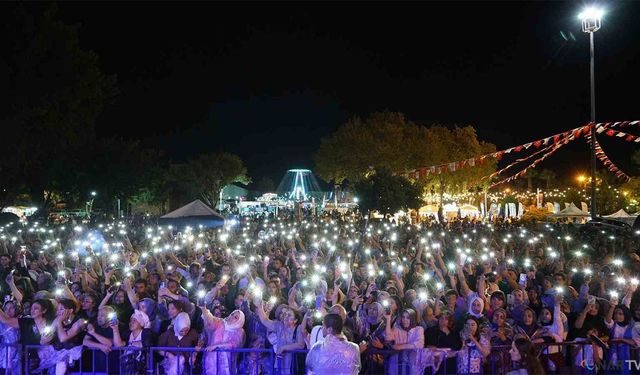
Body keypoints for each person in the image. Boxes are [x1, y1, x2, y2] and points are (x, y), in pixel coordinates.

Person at [38, 298, 87, 374]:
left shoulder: (80, 322)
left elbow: (63, 338)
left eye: (61, 309)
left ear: (70, 311)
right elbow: (44, 340)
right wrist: (44, 338)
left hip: (75, 356)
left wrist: (59, 322)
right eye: (57, 309)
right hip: (57, 351)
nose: (58, 312)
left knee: (62, 362)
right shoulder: (57, 320)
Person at [200, 305, 246, 375]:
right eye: (232, 314)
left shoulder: (239, 331)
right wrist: (204, 309)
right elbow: (211, 320)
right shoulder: (220, 322)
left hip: (226, 361)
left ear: (239, 321)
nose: (232, 317)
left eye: (235, 317)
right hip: (212, 359)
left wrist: (216, 346)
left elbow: (233, 344)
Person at [384, 308, 424, 375]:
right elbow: (388, 337)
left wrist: (400, 347)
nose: (405, 320)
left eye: (408, 318)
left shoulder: (418, 329)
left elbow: (420, 344)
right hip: (398, 358)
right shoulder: (397, 328)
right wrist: (388, 319)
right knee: (393, 361)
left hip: (413, 359)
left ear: (412, 318)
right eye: (403, 317)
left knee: (413, 358)